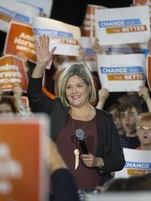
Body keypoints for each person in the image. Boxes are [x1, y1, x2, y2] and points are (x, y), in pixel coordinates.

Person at [27, 35, 125, 190]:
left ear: (88, 87)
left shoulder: (105, 119)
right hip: (56, 196)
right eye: (68, 87)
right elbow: (34, 96)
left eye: (79, 86)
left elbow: (118, 160)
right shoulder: (57, 109)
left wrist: (98, 161)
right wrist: (40, 64)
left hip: (92, 196)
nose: (74, 91)